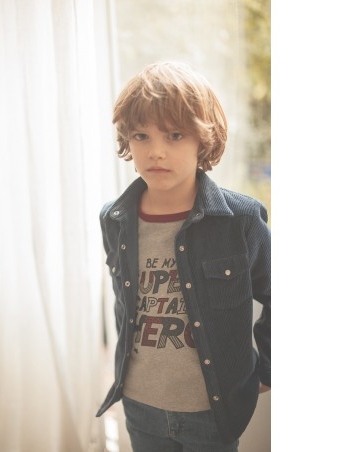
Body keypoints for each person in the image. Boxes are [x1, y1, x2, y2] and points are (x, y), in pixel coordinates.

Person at [96, 61, 270, 452]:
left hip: (213, 410)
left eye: (174, 135)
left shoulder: (240, 220)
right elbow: (125, 304)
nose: (156, 151)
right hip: (140, 405)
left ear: (203, 140)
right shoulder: (114, 219)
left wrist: (268, 370)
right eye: (141, 135)